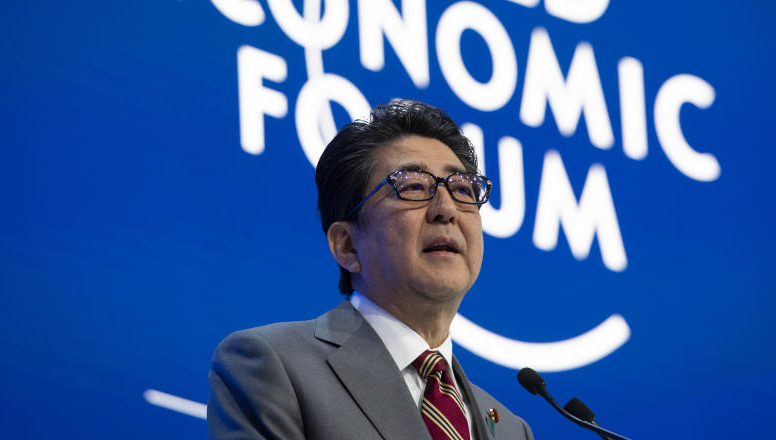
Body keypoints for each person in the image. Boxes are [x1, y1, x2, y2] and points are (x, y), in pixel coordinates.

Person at [208, 99, 534, 439]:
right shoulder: (274, 367)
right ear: (347, 245)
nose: (447, 209)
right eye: (413, 186)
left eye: (463, 189)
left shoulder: (512, 430)